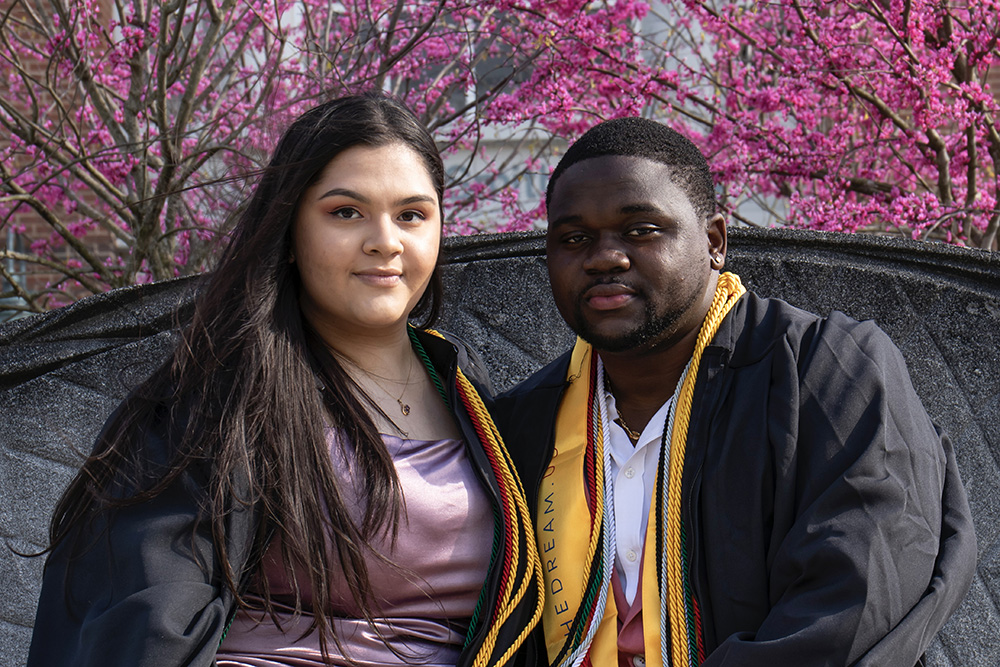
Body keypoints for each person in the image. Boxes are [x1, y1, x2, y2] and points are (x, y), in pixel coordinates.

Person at [27, 92, 542, 667]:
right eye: (345, 212)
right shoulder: (221, 392)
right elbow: (147, 617)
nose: (385, 241)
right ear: (290, 230)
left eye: (412, 215)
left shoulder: (472, 393)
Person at [495, 117, 977, 667]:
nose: (604, 257)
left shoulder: (826, 371)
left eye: (642, 230)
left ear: (715, 242)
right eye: (573, 238)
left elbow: (856, 597)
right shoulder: (522, 423)